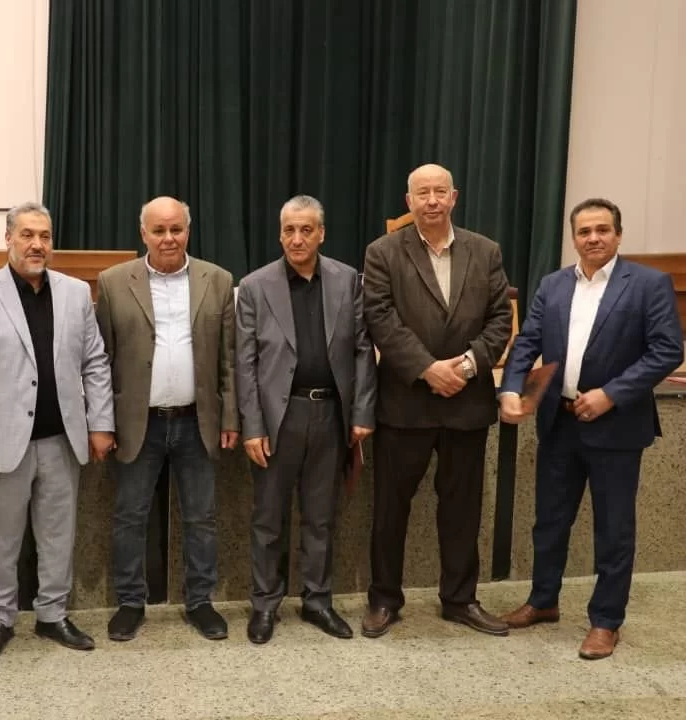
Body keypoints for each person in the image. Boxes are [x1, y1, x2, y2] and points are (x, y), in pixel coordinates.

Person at [498, 198, 683, 660]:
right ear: (574, 238)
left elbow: (666, 351)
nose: (593, 238)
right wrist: (511, 388)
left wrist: (611, 394)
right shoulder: (553, 284)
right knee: (549, 521)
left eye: (602, 230)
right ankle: (544, 601)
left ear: (618, 234)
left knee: (613, 530)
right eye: (584, 231)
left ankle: (605, 621)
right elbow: (528, 342)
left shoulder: (648, 284)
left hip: (617, 427)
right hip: (559, 423)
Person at [0, 202, 114, 663]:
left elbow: (95, 362)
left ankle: (52, 614)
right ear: (8, 239)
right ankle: (0, 618)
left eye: (44, 236)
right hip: (1, 442)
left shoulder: (76, 293)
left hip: (62, 439)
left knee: (59, 535)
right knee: (1, 539)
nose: (37, 244)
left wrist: (101, 422)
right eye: (27, 235)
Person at [361, 163, 513, 638]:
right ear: (408, 202)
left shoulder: (485, 251)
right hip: (405, 402)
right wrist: (428, 369)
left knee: (463, 509)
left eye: (439, 192)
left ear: (454, 198)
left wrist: (465, 367)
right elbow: (380, 318)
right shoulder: (382, 252)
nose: (431, 200)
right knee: (390, 510)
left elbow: (500, 319)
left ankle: (460, 599)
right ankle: (384, 599)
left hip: (466, 402)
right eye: (422, 193)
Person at [235, 195, 377, 644]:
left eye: (306, 230)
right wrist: (252, 426)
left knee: (321, 516)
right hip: (279, 417)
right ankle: (265, 604)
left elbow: (362, 350)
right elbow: (245, 364)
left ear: (321, 234)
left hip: (331, 414)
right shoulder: (254, 286)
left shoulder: (347, 280)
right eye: (289, 230)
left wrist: (361, 412)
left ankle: (318, 600)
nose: (297, 239)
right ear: (280, 235)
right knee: (268, 518)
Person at [95, 196, 238, 642]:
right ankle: (129, 603)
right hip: (139, 423)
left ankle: (200, 602)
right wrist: (101, 422)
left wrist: (231, 418)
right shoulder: (113, 282)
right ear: (144, 234)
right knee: (130, 517)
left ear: (188, 230)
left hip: (198, 421)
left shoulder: (218, 280)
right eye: (159, 230)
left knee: (202, 518)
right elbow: (100, 361)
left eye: (176, 229)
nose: (168, 238)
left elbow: (229, 360)